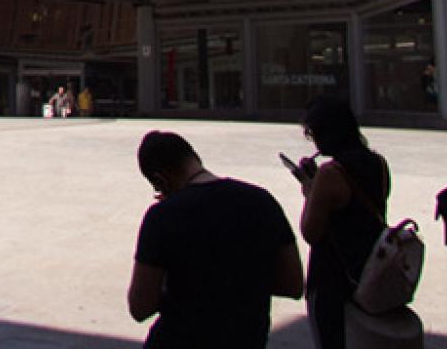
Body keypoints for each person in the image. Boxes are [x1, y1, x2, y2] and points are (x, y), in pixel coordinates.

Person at [127, 130, 303, 347]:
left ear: (160, 180)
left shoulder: (163, 217)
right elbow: (293, 284)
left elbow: (140, 307)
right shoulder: (261, 201)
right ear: (195, 158)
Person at [297, 96, 391, 349]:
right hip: (368, 266)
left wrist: (309, 189)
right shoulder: (378, 163)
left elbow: (311, 231)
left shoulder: (331, 173)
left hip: (333, 274)